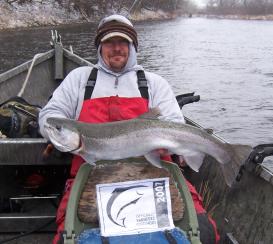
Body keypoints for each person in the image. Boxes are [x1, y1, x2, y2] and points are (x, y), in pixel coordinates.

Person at [39, 14, 219, 244]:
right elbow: (48, 116)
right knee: (67, 238)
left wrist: (178, 148)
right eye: (109, 42)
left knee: (204, 231)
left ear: (132, 47)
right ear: (99, 47)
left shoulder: (154, 83)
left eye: (123, 42)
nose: (116, 48)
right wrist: (52, 131)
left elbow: (175, 122)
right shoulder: (79, 79)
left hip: (155, 173)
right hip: (90, 176)